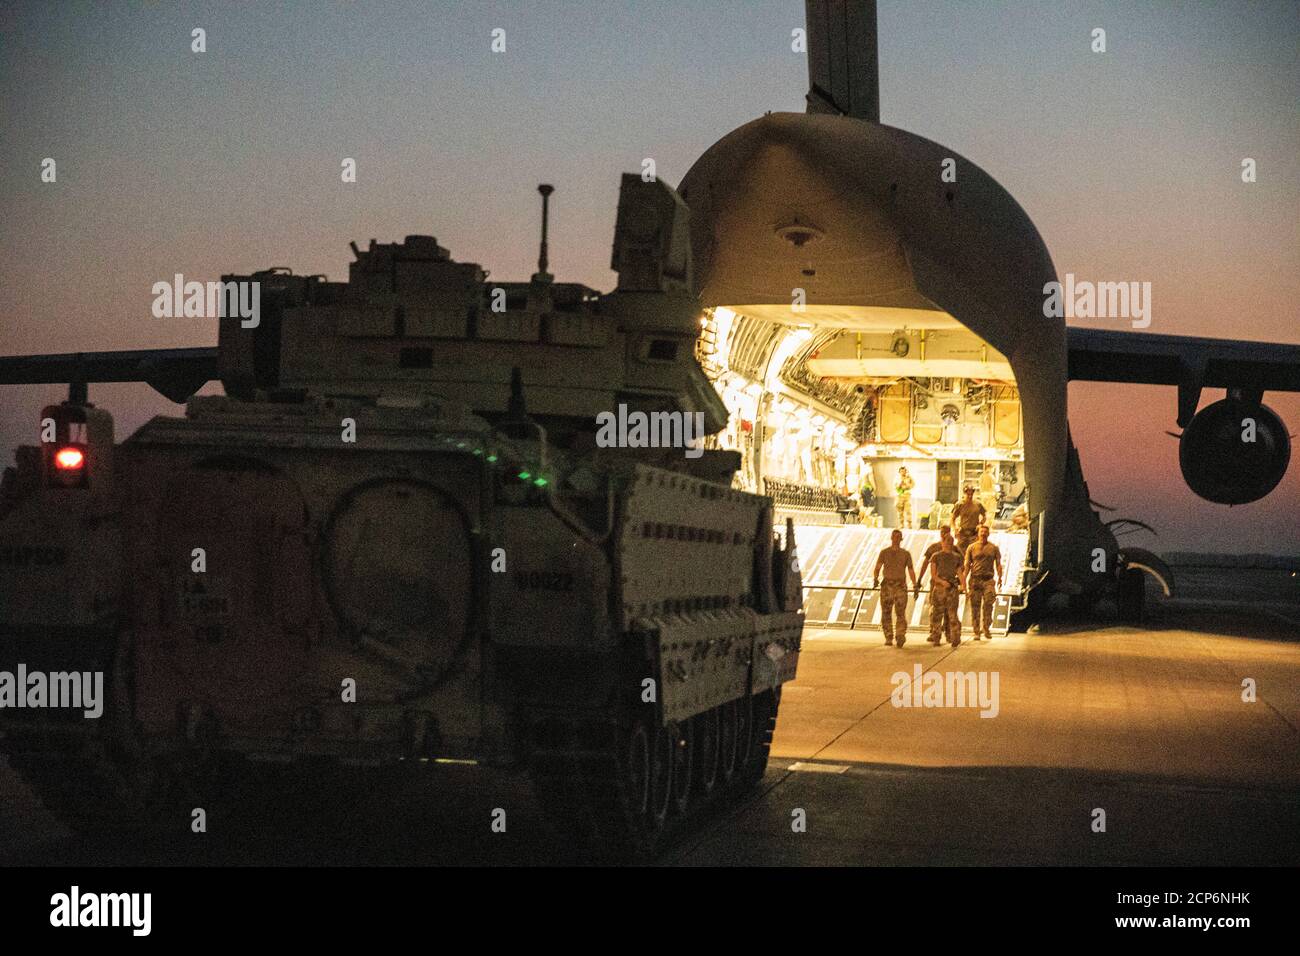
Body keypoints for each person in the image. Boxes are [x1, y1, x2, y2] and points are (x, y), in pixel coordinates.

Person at [916, 535, 965, 646]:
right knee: (937, 614)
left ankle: (955, 637)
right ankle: (936, 637)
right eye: (947, 541)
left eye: (951, 541)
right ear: (942, 542)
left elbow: (960, 573)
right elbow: (933, 575)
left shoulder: (956, 557)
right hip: (939, 588)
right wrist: (942, 582)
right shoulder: (936, 556)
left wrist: (963, 586)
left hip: (952, 589)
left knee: (952, 614)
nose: (948, 543)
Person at [872, 529, 917, 647]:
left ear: (901, 539)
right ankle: (888, 636)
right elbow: (878, 567)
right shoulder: (884, 553)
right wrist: (875, 578)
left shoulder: (906, 554)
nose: (896, 539)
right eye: (895, 536)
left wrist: (915, 583)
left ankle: (900, 634)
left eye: (898, 537)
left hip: (900, 585)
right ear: (891, 538)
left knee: (900, 612)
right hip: (887, 585)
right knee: (886, 612)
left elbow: (910, 569)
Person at [963, 524, 1004, 641]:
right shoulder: (971, 547)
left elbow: (998, 564)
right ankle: (976, 631)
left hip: (988, 580)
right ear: (978, 533)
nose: (983, 534)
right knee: (975, 606)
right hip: (975, 579)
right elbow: (967, 565)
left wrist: (1000, 577)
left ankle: (986, 628)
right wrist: (963, 580)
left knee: (988, 604)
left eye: (985, 532)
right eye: (981, 532)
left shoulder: (994, 548)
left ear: (988, 534)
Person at [951, 485, 986, 555]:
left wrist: (980, 524)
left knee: (975, 553)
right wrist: (955, 529)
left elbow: (984, 516)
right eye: (968, 494)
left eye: (971, 494)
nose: (970, 496)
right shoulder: (959, 504)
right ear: (964, 494)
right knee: (960, 554)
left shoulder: (978, 504)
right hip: (963, 534)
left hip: (974, 534)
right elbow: (952, 518)